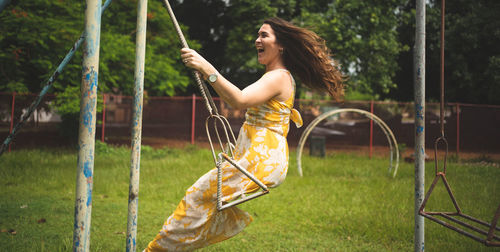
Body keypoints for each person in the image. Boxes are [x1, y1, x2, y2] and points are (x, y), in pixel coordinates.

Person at [144, 17, 343, 251]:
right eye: (258, 35)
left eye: (264, 35)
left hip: (262, 161)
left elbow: (238, 100)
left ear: (281, 45)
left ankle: (156, 250)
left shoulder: (278, 76)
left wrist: (205, 67)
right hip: (256, 158)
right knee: (201, 199)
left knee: (197, 196)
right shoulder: (275, 76)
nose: (256, 40)